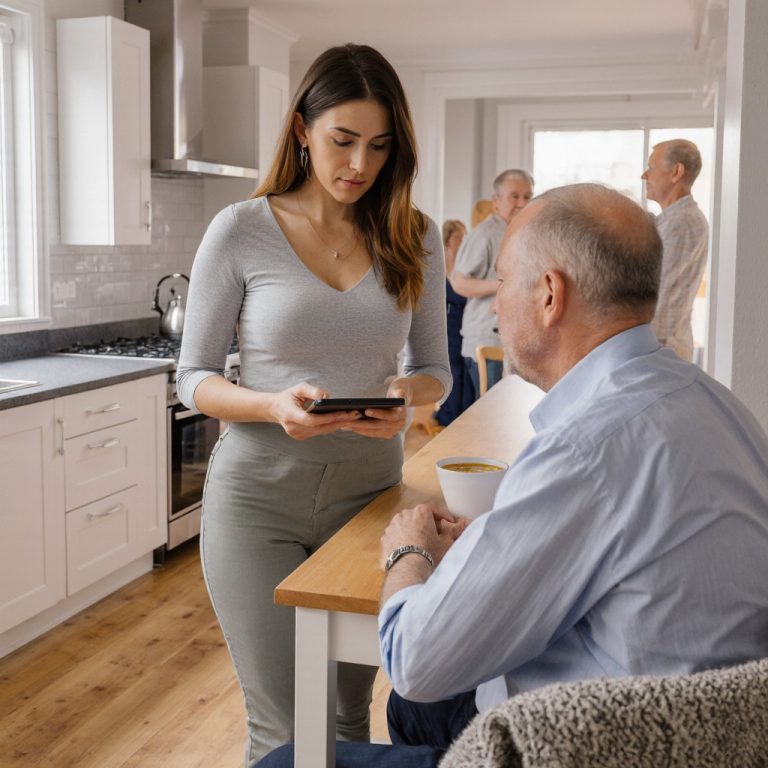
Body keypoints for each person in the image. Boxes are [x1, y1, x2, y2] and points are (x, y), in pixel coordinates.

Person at [256, 183, 768, 768]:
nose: (495, 305)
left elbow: (414, 658)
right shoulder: (715, 402)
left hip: (599, 747)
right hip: (718, 734)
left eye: (502, 282)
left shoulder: (582, 448)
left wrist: (409, 553)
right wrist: (492, 540)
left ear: (549, 294)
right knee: (414, 710)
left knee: (287, 760)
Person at [176, 43, 451, 766]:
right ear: (302, 129)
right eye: (343, 140)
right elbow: (192, 376)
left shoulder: (415, 235)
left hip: (368, 505)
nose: (359, 164)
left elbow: (435, 371)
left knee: (347, 715)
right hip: (255, 502)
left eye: (379, 146)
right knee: (283, 728)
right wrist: (272, 405)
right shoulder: (241, 229)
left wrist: (405, 396)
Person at [451, 169, 533, 401]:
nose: (522, 203)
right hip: (486, 341)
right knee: (491, 412)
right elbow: (459, 282)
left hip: (511, 344)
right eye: (514, 196)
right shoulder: (484, 235)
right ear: (496, 201)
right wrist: (504, 285)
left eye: (527, 197)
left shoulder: (522, 232)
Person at [641, 139, 709, 361]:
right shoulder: (671, 220)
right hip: (658, 349)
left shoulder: (682, 222)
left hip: (659, 351)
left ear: (676, 172)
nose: (644, 175)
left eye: (651, 167)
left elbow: (661, 294)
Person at [434, 220, 473, 426]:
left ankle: (463, 416)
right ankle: (449, 416)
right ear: (449, 240)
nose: (464, 240)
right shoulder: (437, 267)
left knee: (465, 370)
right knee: (453, 370)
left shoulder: (466, 268)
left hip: (466, 323)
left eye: (465, 236)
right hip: (447, 324)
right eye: (459, 236)